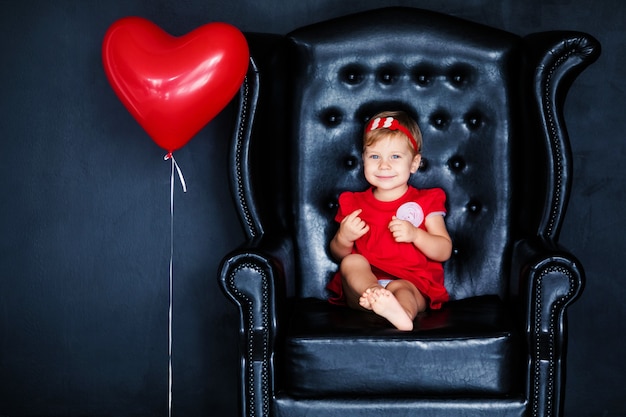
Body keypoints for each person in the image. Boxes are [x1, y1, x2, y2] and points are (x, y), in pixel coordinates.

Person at [327, 110, 452, 331]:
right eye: (375, 156)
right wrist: (343, 238)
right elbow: (338, 254)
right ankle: (378, 295)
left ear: (414, 163)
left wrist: (416, 235)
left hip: (412, 283)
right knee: (351, 263)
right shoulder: (353, 202)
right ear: (363, 158)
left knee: (403, 288)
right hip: (364, 290)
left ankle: (401, 313)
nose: (384, 165)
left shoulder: (427, 201)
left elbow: (443, 250)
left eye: (395, 156)